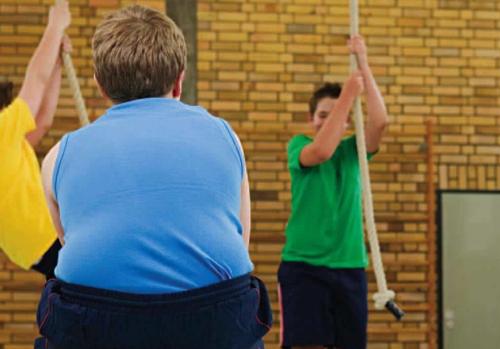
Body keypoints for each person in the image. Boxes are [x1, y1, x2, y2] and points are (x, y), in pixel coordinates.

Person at [36, 5, 271, 349]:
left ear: (101, 86)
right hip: (215, 321)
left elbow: (72, 242)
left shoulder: (59, 155)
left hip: (97, 323)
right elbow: (240, 239)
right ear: (179, 80)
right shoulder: (225, 136)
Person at [277, 34, 388, 349]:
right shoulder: (300, 146)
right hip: (305, 268)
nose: (328, 121)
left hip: (349, 266)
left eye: (335, 114)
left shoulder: (354, 152)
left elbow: (380, 121)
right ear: (311, 120)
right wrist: (347, 98)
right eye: (321, 116)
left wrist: (363, 64)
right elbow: (322, 150)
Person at [0, 0, 70, 271]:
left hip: (30, 248)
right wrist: (55, 26)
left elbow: (43, 121)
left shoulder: (8, 149)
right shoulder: (2, 130)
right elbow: (35, 82)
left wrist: (56, 65)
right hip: (43, 235)